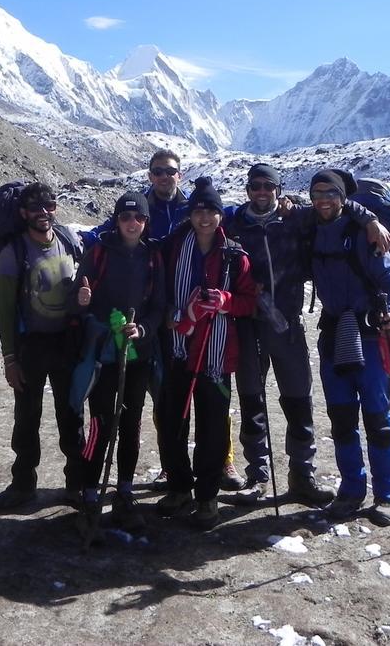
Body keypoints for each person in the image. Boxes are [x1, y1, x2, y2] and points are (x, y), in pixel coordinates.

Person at [225, 164, 390, 508]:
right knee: (252, 400)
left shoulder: (296, 218)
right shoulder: (233, 222)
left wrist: (370, 220)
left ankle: (302, 475)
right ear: (247, 189)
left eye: (268, 186)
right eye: (255, 185)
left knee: (298, 400)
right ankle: (257, 475)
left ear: (278, 189)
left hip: (286, 323)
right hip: (248, 322)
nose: (261, 191)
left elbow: (336, 204)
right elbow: (203, 214)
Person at [83, 148, 245, 492]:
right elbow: (106, 232)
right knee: (170, 404)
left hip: (188, 329)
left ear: (179, 174)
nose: (164, 176)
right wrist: (71, 240)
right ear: (150, 175)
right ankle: (174, 471)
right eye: (157, 171)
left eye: (170, 171)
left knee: (210, 405)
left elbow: (242, 214)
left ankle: (223, 462)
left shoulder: (198, 212)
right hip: (165, 326)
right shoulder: (142, 210)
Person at [304, 169, 390, 525]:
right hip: (333, 335)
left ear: (343, 196)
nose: (324, 199)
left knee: (378, 419)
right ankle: (351, 490)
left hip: (370, 333)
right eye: (317, 193)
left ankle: (385, 494)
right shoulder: (311, 227)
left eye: (330, 192)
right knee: (342, 419)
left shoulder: (364, 233)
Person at [156, 177, 257, 529]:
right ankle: (179, 487)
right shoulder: (172, 247)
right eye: (199, 210)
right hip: (179, 351)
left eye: (211, 211)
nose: (205, 218)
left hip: (215, 358)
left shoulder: (234, 256)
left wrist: (227, 301)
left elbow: (249, 301)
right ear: (190, 213)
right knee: (172, 422)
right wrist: (171, 313)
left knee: (213, 429)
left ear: (219, 216)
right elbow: (160, 291)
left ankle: (208, 497)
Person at [71, 191, 166, 535]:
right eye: (125, 218)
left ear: (145, 222)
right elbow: (79, 296)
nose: (132, 223)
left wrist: (142, 328)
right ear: (116, 220)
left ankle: (124, 490)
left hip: (139, 351)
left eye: (138, 218)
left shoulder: (153, 256)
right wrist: (83, 302)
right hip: (104, 353)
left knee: (131, 422)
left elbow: (159, 305)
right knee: (100, 422)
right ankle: (90, 491)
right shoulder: (98, 253)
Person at [0, 182, 87, 510]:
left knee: (72, 413)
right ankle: (23, 483)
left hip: (66, 342)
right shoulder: (13, 253)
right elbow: (5, 310)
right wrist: (9, 358)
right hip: (30, 346)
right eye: (36, 208)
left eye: (49, 206)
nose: (43, 213)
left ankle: (77, 481)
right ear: (23, 213)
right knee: (27, 415)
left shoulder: (67, 240)